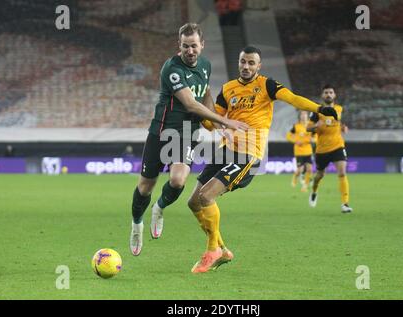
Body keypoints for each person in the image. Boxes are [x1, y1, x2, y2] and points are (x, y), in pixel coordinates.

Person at [186, 46, 338, 273]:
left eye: (251, 63)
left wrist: (320, 108)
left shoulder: (267, 85)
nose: (246, 67)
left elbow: (293, 99)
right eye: (243, 62)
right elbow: (212, 122)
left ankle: (212, 251)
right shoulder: (228, 89)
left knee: (206, 195)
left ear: (259, 66)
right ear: (239, 63)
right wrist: (203, 104)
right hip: (225, 150)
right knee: (193, 202)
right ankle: (223, 249)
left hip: (248, 153)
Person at [129, 23, 248, 256]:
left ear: (202, 45)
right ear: (179, 46)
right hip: (161, 132)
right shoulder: (172, 69)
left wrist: (216, 123)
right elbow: (191, 103)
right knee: (145, 186)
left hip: (186, 132)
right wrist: (226, 122)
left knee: (178, 180)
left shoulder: (205, 66)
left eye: (194, 46)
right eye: (185, 46)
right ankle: (136, 224)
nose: (190, 50)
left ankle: (160, 208)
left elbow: (204, 94)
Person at [307, 85, 353, 214]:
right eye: (326, 92)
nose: (328, 94)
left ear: (334, 95)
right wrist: (317, 125)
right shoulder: (317, 111)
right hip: (322, 149)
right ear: (322, 96)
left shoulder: (339, 109)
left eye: (331, 92)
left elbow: (340, 123)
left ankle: (345, 203)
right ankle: (314, 191)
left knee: (342, 172)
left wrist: (343, 128)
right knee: (319, 176)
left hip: (338, 146)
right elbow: (307, 128)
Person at [286, 111, 316, 192]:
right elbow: (288, 136)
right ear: (300, 116)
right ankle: (295, 178)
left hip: (308, 151)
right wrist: (295, 141)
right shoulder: (296, 126)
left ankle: (305, 186)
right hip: (299, 151)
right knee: (300, 170)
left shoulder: (310, 126)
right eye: (302, 114)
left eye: (305, 114)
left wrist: (313, 140)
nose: (303, 116)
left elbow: (315, 136)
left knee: (310, 169)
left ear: (307, 116)